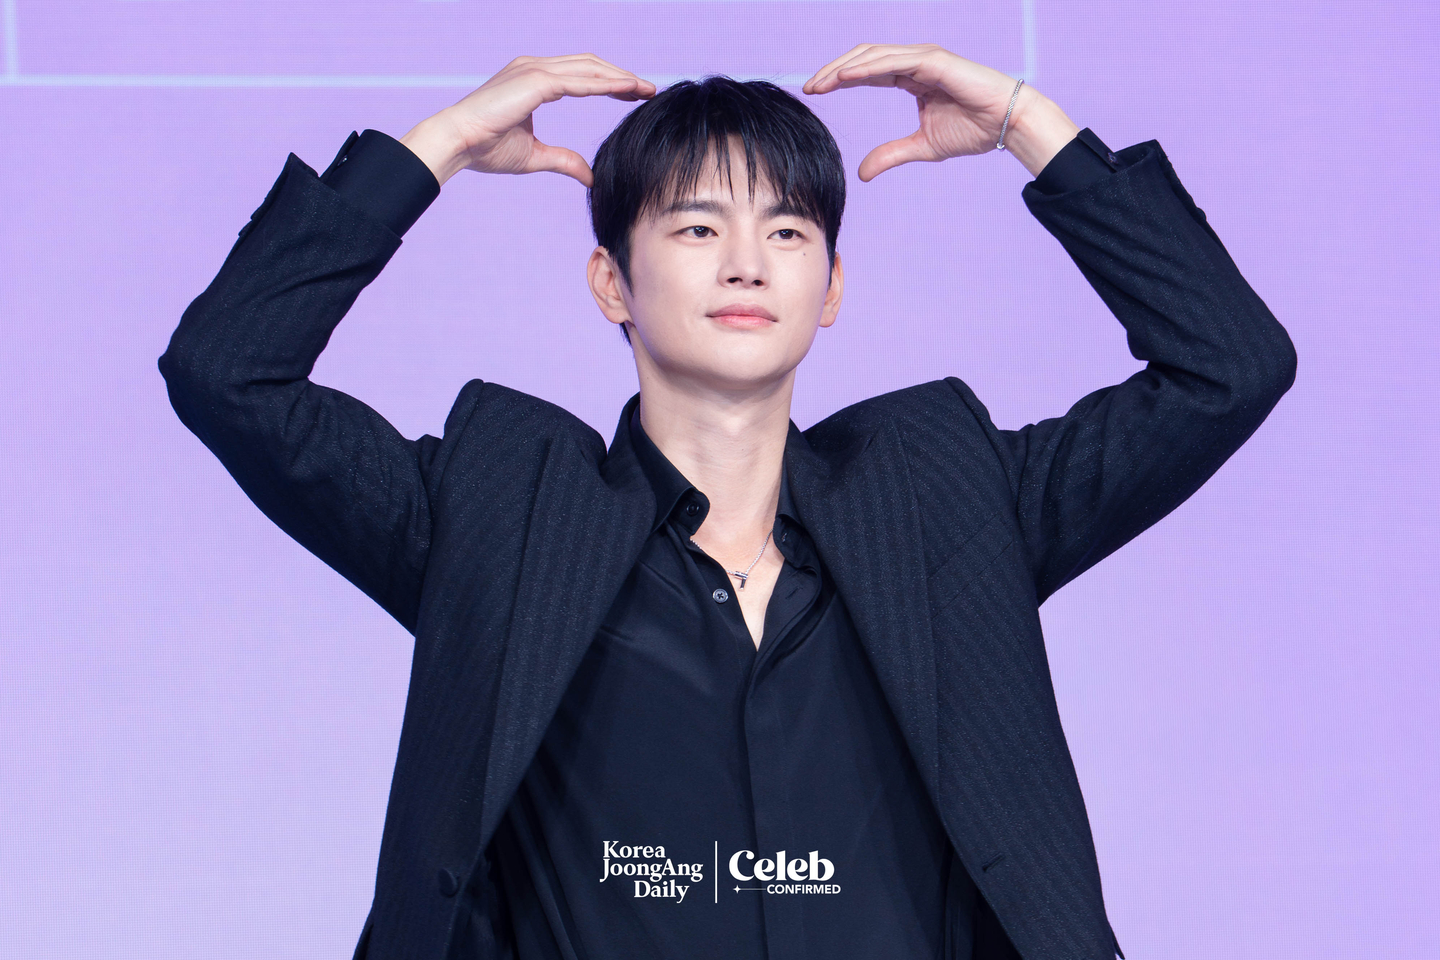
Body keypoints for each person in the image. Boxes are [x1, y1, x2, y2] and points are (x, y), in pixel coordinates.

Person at [158, 45, 1296, 960]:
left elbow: (1228, 367)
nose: (747, 263)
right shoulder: (498, 513)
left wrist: (1025, 125)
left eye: (787, 231)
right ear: (612, 280)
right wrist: (437, 147)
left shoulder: (948, 503)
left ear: (831, 287)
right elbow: (228, 371)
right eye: (698, 227)